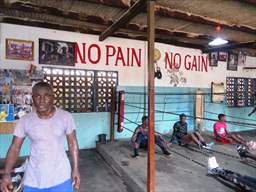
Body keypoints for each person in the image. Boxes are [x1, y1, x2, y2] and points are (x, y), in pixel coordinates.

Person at [0, 82, 80, 192]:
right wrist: (7, 173)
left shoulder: (65, 117)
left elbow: (73, 144)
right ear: (32, 98)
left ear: (52, 98)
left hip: (61, 176)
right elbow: (15, 147)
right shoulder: (25, 120)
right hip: (33, 178)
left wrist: (75, 169)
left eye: (46, 96)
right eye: (37, 96)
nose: (42, 100)